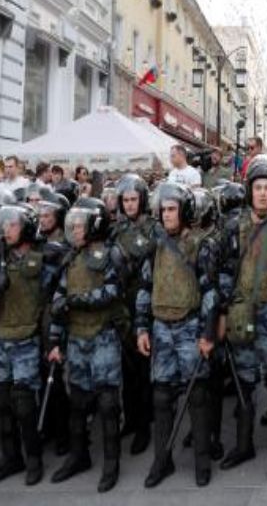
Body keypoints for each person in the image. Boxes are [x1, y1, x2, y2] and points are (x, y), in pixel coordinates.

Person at [137, 182, 221, 488]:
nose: (167, 215)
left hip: (189, 327)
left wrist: (207, 333)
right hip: (161, 328)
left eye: (172, 209)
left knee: (197, 395)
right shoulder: (154, 244)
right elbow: (145, 288)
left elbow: (211, 292)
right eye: (164, 210)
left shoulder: (201, 245)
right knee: (161, 396)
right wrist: (142, 328)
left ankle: (201, 460)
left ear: (183, 211)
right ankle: (163, 460)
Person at [218, 155, 267, 481]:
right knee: (243, 382)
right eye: (258, 187)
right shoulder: (233, 226)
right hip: (240, 314)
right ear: (250, 190)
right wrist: (221, 314)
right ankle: (244, 444)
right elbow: (222, 274)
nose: (263, 193)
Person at [46, 197, 125, 492]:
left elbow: (113, 290)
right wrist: (55, 339)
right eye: (74, 225)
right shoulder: (71, 258)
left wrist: (79, 301)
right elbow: (59, 303)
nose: (75, 230)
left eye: (80, 225)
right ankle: (79, 456)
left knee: (107, 403)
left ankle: (111, 463)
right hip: (77, 339)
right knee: (77, 402)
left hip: (103, 336)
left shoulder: (110, 254)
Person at [0, 204, 60, 487]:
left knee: (25, 406)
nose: (6, 230)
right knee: (3, 405)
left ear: (25, 226)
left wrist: (51, 340)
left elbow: (54, 301)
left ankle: (34, 459)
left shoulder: (44, 259)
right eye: (4, 225)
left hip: (28, 340)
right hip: (1, 339)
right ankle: (10, 457)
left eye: (12, 225)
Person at [110, 174, 155, 456]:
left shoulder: (152, 227)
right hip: (120, 306)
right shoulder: (115, 230)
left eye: (133, 199)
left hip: (143, 305)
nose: (129, 205)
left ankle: (144, 427)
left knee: (142, 370)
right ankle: (131, 417)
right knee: (126, 370)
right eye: (125, 200)